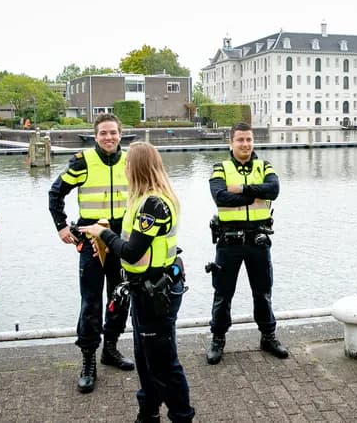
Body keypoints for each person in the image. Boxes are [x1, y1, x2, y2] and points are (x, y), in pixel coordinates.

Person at [80, 142, 194, 422]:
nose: (125, 168)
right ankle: (148, 412)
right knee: (144, 357)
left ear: (137, 167)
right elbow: (129, 240)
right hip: (142, 290)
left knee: (164, 362)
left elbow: (132, 251)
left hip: (156, 291)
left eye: (128, 163)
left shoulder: (154, 205)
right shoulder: (142, 201)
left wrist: (103, 234)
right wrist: (106, 232)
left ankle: (182, 415)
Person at [48, 113, 134, 394]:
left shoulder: (130, 160)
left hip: (122, 238)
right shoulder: (83, 161)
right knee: (91, 301)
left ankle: (110, 348)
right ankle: (88, 360)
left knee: (120, 296)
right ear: (95, 136)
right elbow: (56, 193)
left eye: (113, 132)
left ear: (120, 134)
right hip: (92, 238)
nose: (109, 137)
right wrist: (62, 226)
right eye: (103, 133)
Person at [205, 122, 288, 365]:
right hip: (229, 241)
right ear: (231, 142)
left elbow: (273, 189)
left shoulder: (265, 166)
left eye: (249, 140)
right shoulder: (220, 168)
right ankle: (218, 339)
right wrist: (256, 193)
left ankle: (268, 336)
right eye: (240, 140)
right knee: (223, 293)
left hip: (258, 240)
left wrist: (241, 189)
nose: (245, 144)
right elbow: (221, 196)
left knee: (263, 292)